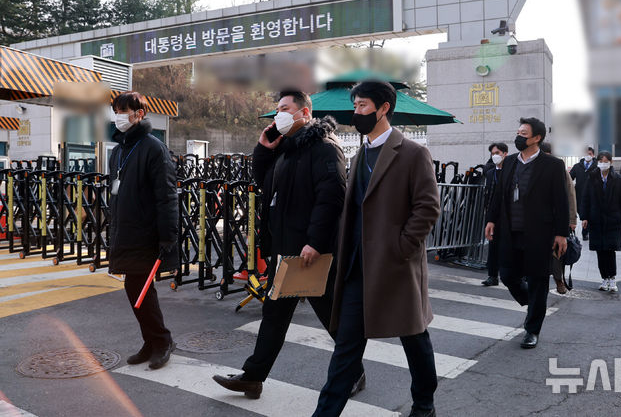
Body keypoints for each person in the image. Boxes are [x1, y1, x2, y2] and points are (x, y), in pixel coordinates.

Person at [212, 90, 357, 398]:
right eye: (277, 109)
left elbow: (331, 198)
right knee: (275, 317)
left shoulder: (324, 149)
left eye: (285, 109)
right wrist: (263, 149)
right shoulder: (286, 149)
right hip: (286, 251)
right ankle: (253, 376)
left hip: (309, 252)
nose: (278, 114)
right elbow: (266, 186)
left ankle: (353, 370)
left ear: (304, 113)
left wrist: (315, 242)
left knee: (330, 316)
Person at [313, 81, 441, 417]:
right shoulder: (358, 156)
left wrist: (402, 248)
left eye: (363, 106)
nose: (356, 112)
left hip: (396, 266)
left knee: (414, 338)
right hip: (357, 269)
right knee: (345, 350)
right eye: (355, 106)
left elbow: (427, 208)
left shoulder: (413, 153)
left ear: (384, 108)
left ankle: (424, 404)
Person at [484, 118, 568, 349]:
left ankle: (532, 330)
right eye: (518, 132)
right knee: (508, 275)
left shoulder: (552, 165)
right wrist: (491, 219)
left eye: (523, 133)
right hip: (510, 231)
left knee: (538, 281)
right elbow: (499, 194)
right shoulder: (510, 162)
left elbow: (561, 201)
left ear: (537, 138)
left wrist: (561, 234)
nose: (518, 136)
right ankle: (531, 303)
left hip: (540, 233)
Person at [108, 92, 178, 370]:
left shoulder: (154, 148)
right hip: (126, 231)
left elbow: (167, 195)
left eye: (125, 110)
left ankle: (161, 341)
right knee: (136, 289)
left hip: (147, 233)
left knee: (140, 289)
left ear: (139, 114)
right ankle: (152, 341)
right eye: (116, 110)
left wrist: (168, 235)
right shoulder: (118, 151)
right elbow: (116, 192)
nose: (119, 116)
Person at [579, 152, 621, 292]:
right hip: (596, 219)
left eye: (606, 161)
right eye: (601, 161)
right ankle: (604, 278)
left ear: (611, 162)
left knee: (610, 250)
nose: (603, 163)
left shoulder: (618, 179)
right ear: (597, 162)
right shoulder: (592, 178)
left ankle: (612, 278)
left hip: (613, 219)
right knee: (600, 251)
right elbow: (585, 198)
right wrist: (584, 217)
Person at [539, 142, 577, 295]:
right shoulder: (532, 168)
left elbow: (570, 194)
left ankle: (559, 281)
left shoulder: (558, 167)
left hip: (556, 219)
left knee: (556, 253)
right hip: (537, 220)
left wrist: (572, 219)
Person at [481, 142, 508, 287]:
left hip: (508, 215)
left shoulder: (511, 171)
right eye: (493, 154)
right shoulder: (490, 172)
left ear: (505, 154)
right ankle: (492, 276)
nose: (495, 156)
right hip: (492, 214)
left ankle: (517, 275)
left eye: (498, 153)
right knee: (493, 245)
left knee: (509, 245)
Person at [569, 147, 597, 240]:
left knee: (589, 213)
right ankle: (586, 230)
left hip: (593, 194)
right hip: (580, 194)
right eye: (586, 154)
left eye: (589, 154)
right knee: (582, 213)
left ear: (593, 155)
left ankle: (585, 232)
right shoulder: (577, 166)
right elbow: (570, 178)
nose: (587, 156)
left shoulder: (597, 166)